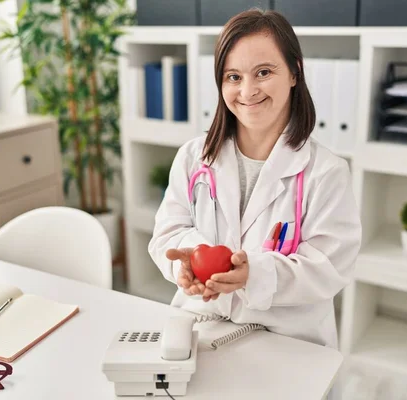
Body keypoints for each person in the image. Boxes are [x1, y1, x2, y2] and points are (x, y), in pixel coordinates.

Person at [148, 6, 361, 378]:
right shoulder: (193, 158)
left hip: (289, 341)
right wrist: (187, 261)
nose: (247, 91)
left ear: (295, 72)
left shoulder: (326, 172)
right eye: (233, 76)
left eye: (263, 72)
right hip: (203, 326)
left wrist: (255, 274)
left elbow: (329, 267)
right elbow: (167, 233)